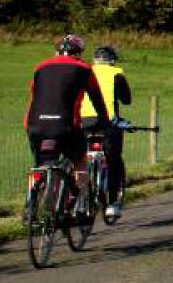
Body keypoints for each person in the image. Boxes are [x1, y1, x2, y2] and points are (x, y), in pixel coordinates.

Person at [25, 34, 109, 214]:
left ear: (57, 51)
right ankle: (82, 200)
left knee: (40, 164)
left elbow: (34, 94)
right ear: (79, 52)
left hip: (35, 125)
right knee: (80, 159)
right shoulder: (84, 68)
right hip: (65, 125)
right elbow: (97, 98)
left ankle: (30, 206)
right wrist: (104, 121)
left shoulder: (40, 67)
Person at [81, 44, 132, 219]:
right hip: (108, 123)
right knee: (113, 158)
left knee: (78, 158)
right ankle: (112, 202)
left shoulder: (84, 72)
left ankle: (76, 198)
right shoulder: (116, 73)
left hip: (83, 122)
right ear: (112, 61)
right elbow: (126, 100)